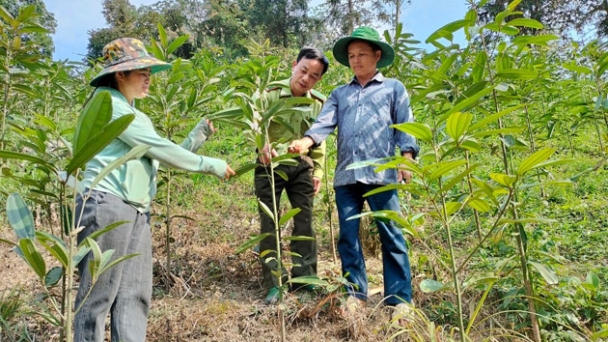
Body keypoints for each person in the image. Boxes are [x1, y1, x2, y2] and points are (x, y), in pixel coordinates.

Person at [74, 37, 235, 342]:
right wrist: (209, 164)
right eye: (141, 72)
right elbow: (157, 147)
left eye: (149, 72)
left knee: (134, 295)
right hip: (106, 202)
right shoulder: (107, 104)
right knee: (98, 294)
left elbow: (160, 155)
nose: (148, 79)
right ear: (120, 74)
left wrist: (197, 136)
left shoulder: (134, 113)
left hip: (135, 209)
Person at [288, 27, 420, 315]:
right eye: (351, 55)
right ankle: (354, 295)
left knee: (391, 234)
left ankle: (399, 300)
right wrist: (305, 140)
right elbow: (324, 123)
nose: (356, 60)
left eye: (361, 54)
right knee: (348, 236)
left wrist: (406, 156)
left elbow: (405, 124)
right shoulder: (340, 93)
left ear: (377, 55)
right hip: (347, 176)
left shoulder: (393, 88)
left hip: (381, 175)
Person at [255, 47, 329, 304]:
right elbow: (253, 124)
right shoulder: (270, 94)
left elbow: (319, 139)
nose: (306, 78)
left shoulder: (318, 103)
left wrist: (318, 170)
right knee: (269, 223)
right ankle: (274, 282)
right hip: (270, 166)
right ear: (294, 65)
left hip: (302, 167)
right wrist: (261, 145)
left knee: (305, 222)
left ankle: (305, 278)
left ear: (319, 79)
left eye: (314, 76)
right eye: (304, 71)